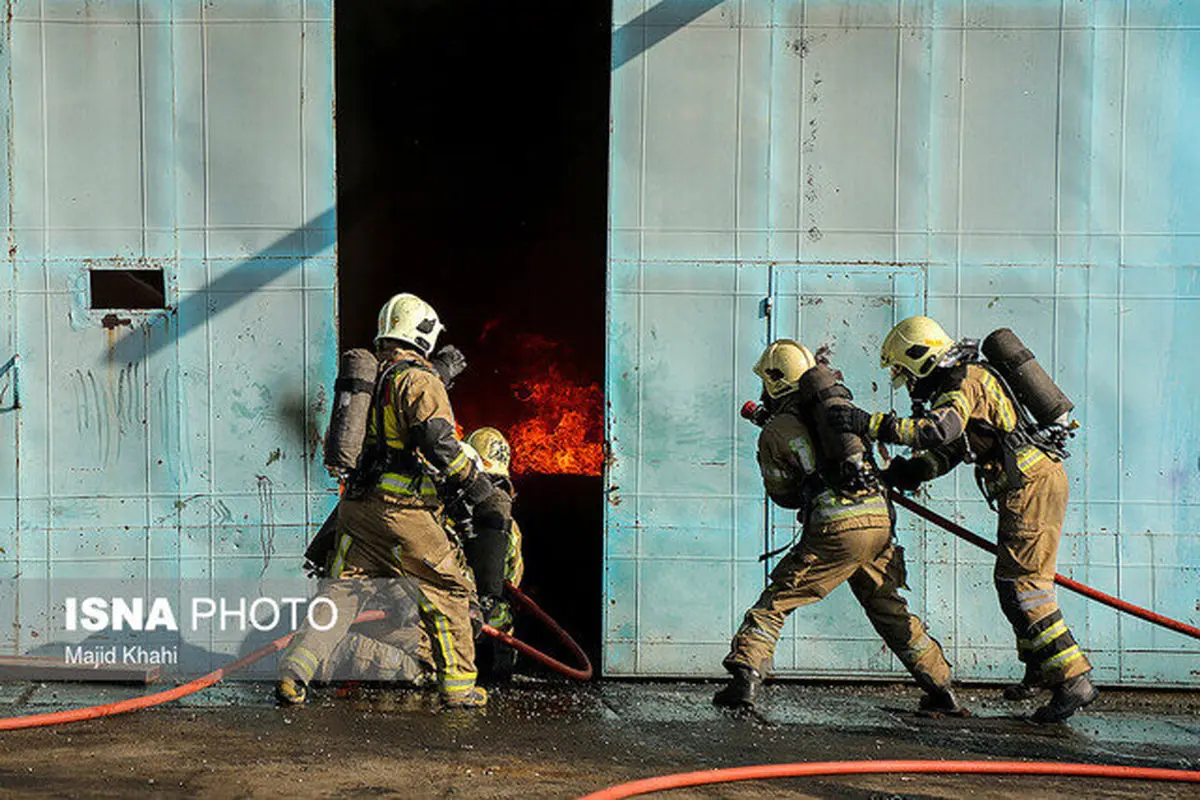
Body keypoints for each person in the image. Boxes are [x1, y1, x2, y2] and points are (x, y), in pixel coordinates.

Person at [827, 316, 1097, 723]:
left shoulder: (963, 381)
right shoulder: (966, 379)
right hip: (1027, 484)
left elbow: (939, 429)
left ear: (921, 359)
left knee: (1024, 588)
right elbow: (958, 446)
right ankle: (1043, 667)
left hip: (1031, 487)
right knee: (1011, 584)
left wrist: (871, 424)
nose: (906, 383)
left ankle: (1073, 679)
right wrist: (910, 472)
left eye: (903, 372)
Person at [713, 339, 964, 715]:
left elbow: (782, 493)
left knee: (778, 600)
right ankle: (941, 688)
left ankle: (744, 677)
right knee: (887, 605)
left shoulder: (777, 429)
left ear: (775, 382)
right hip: (880, 521)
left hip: (837, 529)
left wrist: (806, 488)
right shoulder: (841, 414)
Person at [276, 292, 495, 708]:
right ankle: (459, 688)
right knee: (447, 590)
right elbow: (437, 441)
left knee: (340, 593)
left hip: (357, 511)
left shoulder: (370, 377)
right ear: (424, 334)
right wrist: (477, 488)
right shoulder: (418, 380)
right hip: (402, 512)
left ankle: (293, 672)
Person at [462, 427, 525, 680]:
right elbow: (514, 575)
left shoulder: (447, 512)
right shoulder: (509, 525)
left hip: (458, 627)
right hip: (495, 636)